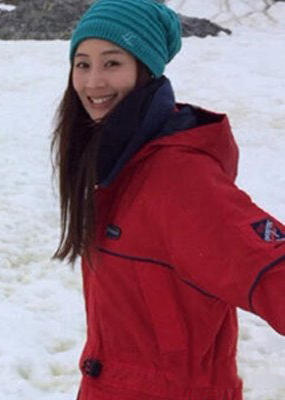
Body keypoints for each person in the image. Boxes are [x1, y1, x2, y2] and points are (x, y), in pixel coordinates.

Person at [50, 0, 285, 399]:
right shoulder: (116, 162)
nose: (92, 82)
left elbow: (271, 272)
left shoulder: (178, 176)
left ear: (145, 70)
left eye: (112, 63)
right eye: (82, 64)